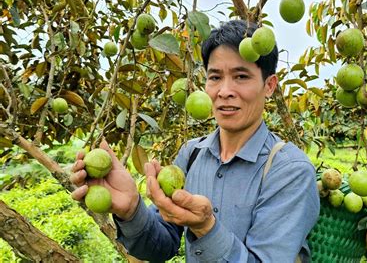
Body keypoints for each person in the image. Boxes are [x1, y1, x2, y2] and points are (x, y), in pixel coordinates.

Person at [71, 19, 319, 262]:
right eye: (215, 77)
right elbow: (162, 245)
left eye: (241, 76)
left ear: (269, 86)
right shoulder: (191, 154)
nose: (224, 91)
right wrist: (131, 209)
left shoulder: (290, 171)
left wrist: (206, 228)